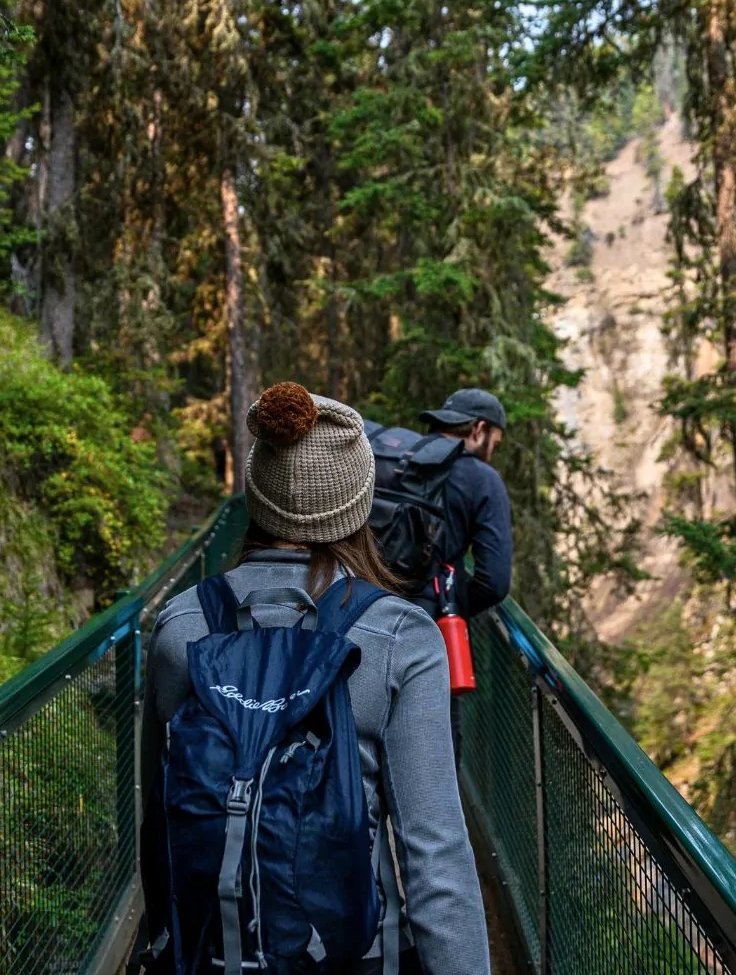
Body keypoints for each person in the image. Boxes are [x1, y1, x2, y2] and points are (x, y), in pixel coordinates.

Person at [140, 382, 492, 975]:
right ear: (360, 504)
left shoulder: (180, 629)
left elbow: (159, 822)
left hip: (212, 952)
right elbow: (436, 861)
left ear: (258, 494)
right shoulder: (400, 637)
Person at [412, 388, 513, 620]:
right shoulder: (482, 478)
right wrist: (450, 606)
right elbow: (494, 583)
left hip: (362, 606)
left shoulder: (400, 459)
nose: (491, 455)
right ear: (479, 429)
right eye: (494, 445)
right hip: (425, 626)